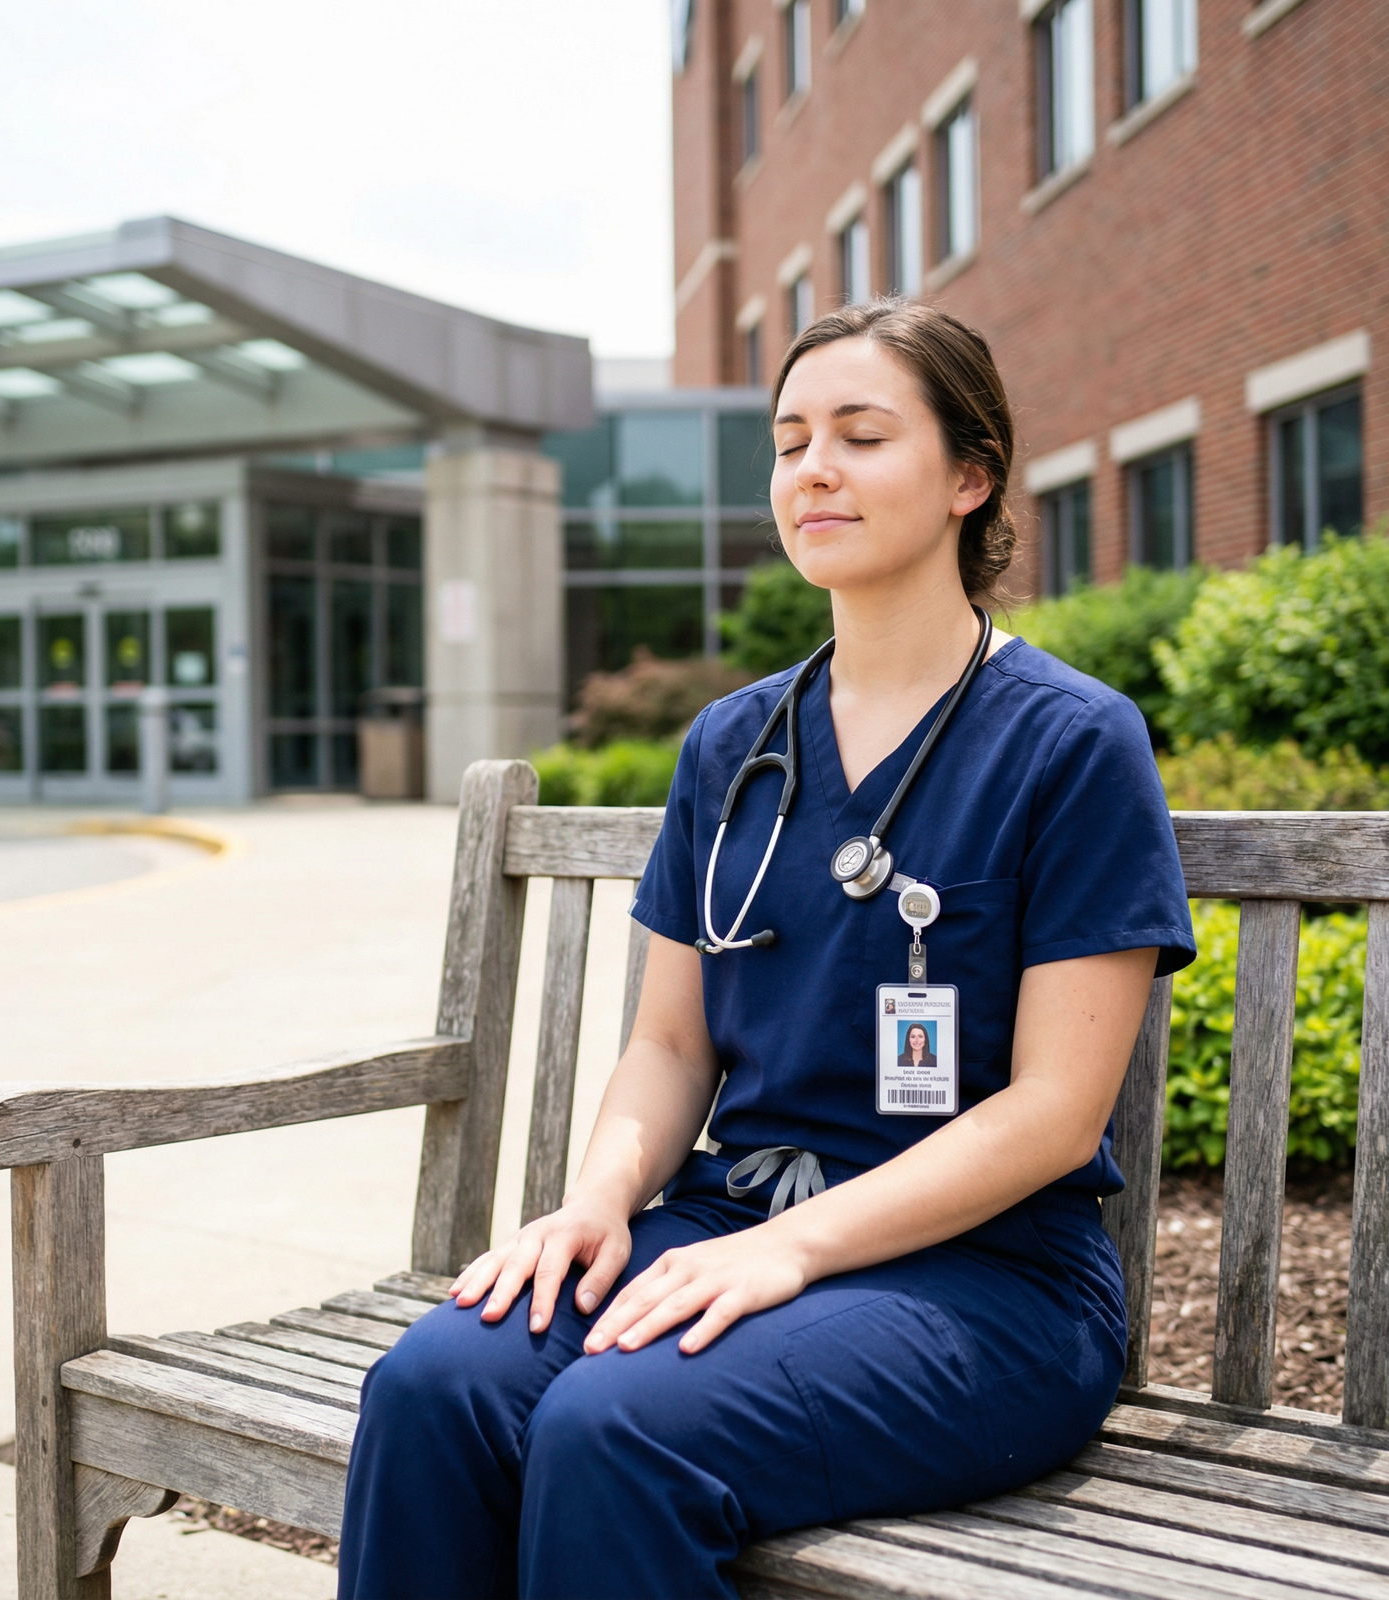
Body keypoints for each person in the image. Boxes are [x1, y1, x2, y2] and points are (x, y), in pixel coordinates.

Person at [337, 300, 1195, 1600]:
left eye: (860, 435)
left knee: (612, 1426)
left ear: (972, 476)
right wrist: (596, 1207)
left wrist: (790, 1250)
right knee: (434, 1385)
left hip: (984, 1279)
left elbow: (1054, 1117)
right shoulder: (735, 748)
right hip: (724, 1223)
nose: (814, 470)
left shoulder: (1071, 744)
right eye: (791, 441)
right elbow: (671, 1044)